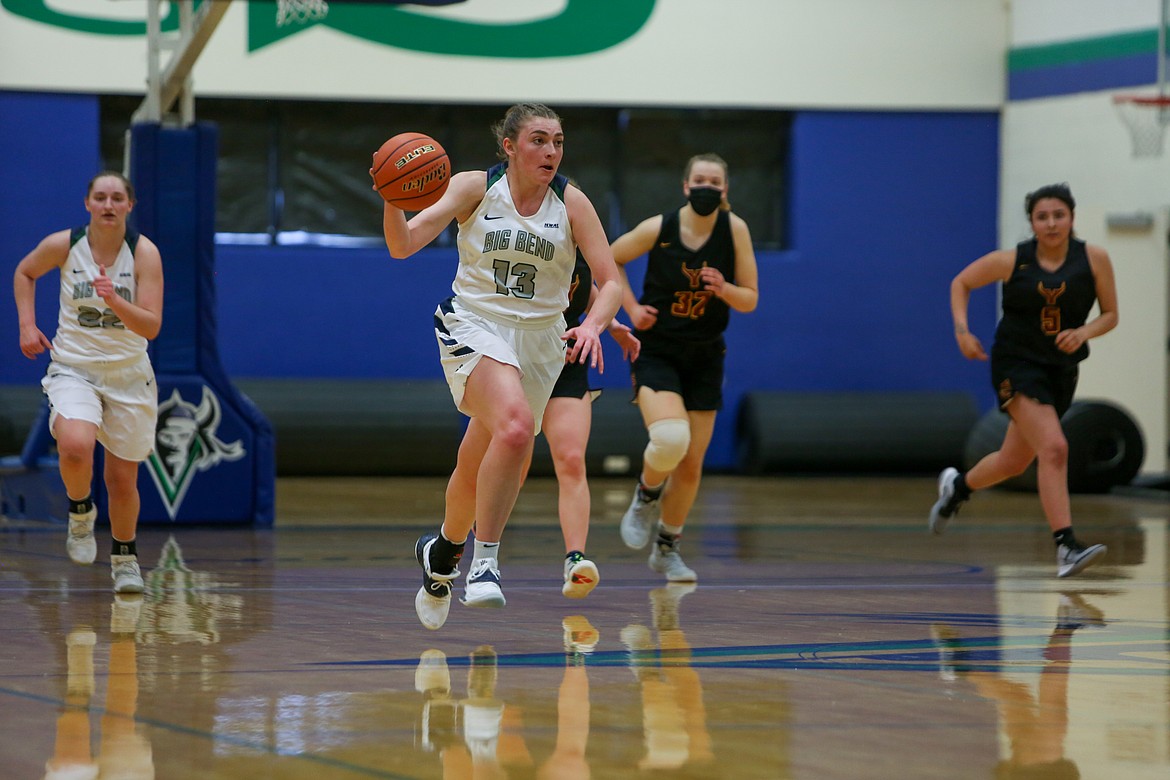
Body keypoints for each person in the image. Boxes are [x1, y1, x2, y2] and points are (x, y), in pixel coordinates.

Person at [377, 103, 622, 630]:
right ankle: (484, 564)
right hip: (476, 323)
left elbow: (613, 281)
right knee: (514, 427)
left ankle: (442, 553)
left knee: (478, 458)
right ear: (508, 146)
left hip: (541, 341)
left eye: (558, 141)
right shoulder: (472, 187)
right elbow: (402, 247)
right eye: (538, 140)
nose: (551, 151)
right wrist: (392, 200)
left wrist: (595, 324)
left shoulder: (572, 203)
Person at [929, 183, 1118, 578]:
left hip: (1060, 369)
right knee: (1054, 448)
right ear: (1032, 222)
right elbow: (960, 282)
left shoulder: (1094, 259)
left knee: (1014, 461)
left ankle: (958, 488)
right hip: (1017, 363)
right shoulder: (1014, 260)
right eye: (1042, 216)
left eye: (1058, 215)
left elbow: (1110, 314)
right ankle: (1066, 546)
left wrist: (1084, 333)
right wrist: (963, 332)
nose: (1051, 223)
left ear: (1072, 218)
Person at [14, 171, 164, 594]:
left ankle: (125, 558)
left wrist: (116, 299)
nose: (109, 205)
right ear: (88, 204)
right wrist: (27, 325)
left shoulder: (144, 254)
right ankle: (80, 513)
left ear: (129, 206)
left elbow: (151, 326)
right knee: (76, 444)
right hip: (74, 367)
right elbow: (25, 273)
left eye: (117, 198)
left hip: (129, 373)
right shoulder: (65, 244)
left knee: (121, 480)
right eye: (100, 197)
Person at [613, 153, 759, 582]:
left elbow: (750, 298)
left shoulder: (735, 231)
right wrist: (632, 307)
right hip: (657, 349)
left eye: (715, 181)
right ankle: (645, 493)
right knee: (670, 438)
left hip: (706, 355)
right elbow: (610, 259)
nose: (707, 187)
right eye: (700, 179)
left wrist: (725, 288)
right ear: (685, 185)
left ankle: (667, 547)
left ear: (725, 190)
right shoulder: (659, 228)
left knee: (692, 464)